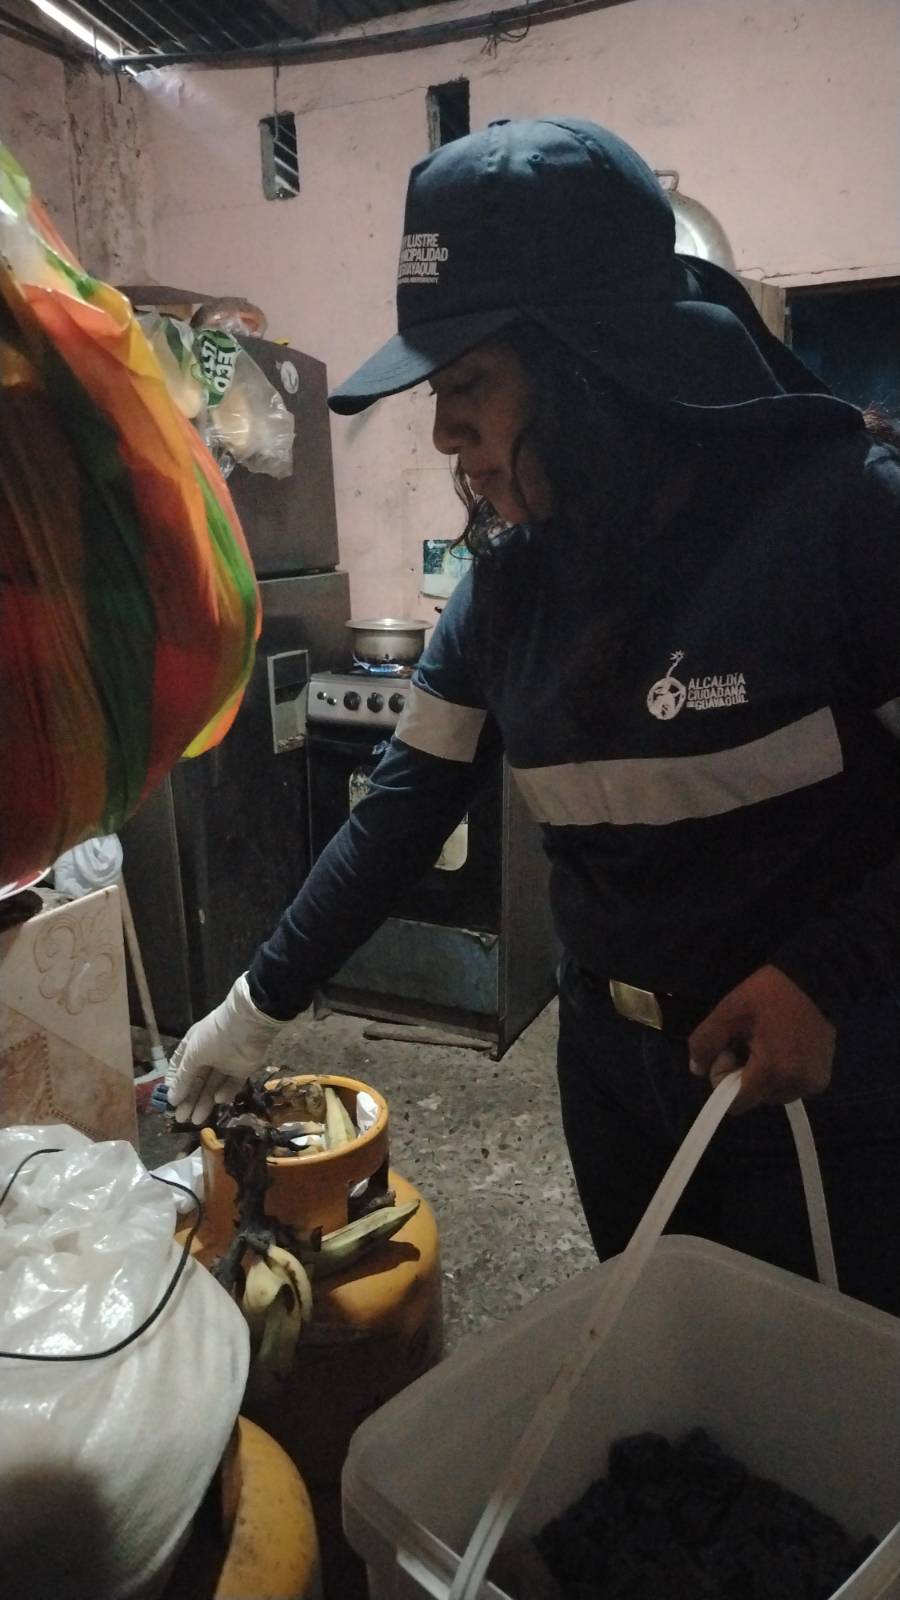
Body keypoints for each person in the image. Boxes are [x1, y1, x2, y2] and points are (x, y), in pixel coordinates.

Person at [168, 117, 900, 1315]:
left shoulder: (843, 522)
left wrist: (827, 973)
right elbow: (398, 817)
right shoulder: (507, 593)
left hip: (824, 1088)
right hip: (613, 1077)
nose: (442, 432)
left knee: (813, 1396)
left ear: (593, 365)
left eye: (468, 385)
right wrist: (253, 1008)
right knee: (653, 1351)